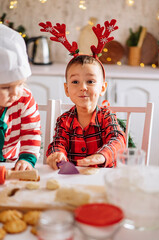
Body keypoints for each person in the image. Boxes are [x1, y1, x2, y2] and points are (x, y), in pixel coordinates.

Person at [39, 19, 126, 170]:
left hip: (102, 178)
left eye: (91, 81)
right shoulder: (64, 121)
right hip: (72, 178)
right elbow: (58, 143)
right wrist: (57, 154)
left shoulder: (106, 117)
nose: (83, 87)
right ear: (66, 90)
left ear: (102, 87)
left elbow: (117, 139)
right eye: (75, 82)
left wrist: (102, 156)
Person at [0, 24, 41, 170]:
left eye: (20, 84)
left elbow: (31, 132)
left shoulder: (24, 99)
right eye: (5, 87)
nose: (15, 92)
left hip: (11, 163)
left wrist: (27, 159)